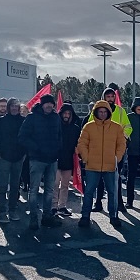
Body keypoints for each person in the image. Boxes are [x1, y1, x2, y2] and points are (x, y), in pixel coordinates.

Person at [77, 100, 127, 228]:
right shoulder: (88, 127)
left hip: (111, 166)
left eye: (105, 111)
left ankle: (113, 216)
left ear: (109, 112)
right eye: (100, 111)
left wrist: (117, 158)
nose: (103, 114)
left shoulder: (117, 127)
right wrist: (86, 158)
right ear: (96, 112)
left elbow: (122, 144)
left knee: (112, 192)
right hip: (92, 166)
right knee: (89, 192)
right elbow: (82, 143)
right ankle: (85, 216)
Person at [19, 94, 62, 230]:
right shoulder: (32, 117)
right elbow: (22, 137)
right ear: (42, 104)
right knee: (34, 190)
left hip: (52, 160)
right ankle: (33, 218)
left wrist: (57, 150)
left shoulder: (56, 117)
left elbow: (60, 136)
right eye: (46, 103)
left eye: (51, 103)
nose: (49, 105)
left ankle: (46, 217)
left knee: (49, 190)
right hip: (37, 159)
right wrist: (36, 148)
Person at [88, 87, 131, 213]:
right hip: (100, 150)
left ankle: (119, 203)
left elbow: (128, 127)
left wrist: (122, 138)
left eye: (112, 96)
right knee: (99, 178)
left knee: (116, 178)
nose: (111, 99)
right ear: (104, 98)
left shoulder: (121, 111)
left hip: (115, 150)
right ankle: (98, 203)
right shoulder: (96, 111)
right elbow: (89, 127)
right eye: (108, 96)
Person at [0, 98, 26, 224]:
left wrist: (25, 153)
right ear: (8, 107)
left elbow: (28, 137)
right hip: (3, 158)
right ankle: (2, 212)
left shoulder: (24, 121)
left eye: (16, 106)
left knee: (15, 186)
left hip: (18, 158)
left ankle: (12, 210)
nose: (14, 108)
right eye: (12, 106)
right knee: (2, 187)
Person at [53, 102, 81, 216]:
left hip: (69, 160)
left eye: (69, 113)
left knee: (65, 185)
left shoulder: (75, 129)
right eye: (65, 113)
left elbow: (78, 143)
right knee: (55, 185)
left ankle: (62, 206)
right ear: (61, 113)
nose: (67, 115)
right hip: (56, 159)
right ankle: (53, 206)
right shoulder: (55, 126)